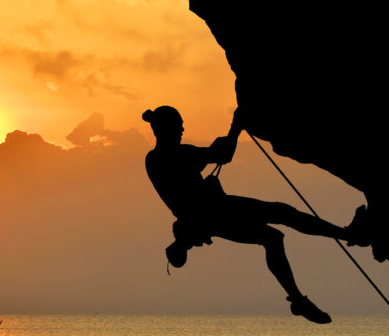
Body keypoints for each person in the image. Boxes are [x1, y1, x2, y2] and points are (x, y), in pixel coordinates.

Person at [143, 105, 360, 324]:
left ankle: (298, 299)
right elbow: (223, 155)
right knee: (283, 214)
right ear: (166, 128)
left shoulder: (153, 160)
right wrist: (235, 127)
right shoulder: (177, 154)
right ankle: (348, 236)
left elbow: (202, 164)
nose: (182, 128)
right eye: (178, 124)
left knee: (273, 237)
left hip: (210, 219)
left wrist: (222, 143)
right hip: (218, 211)